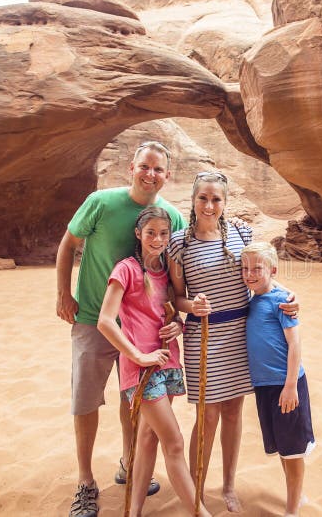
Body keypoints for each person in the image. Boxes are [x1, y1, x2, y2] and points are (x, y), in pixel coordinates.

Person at [56, 142, 187, 517]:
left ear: (167, 175)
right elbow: (69, 244)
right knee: (86, 399)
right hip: (94, 319)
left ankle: (129, 464)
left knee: (133, 399)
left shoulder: (172, 218)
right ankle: (85, 481)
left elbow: (176, 279)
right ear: (132, 168)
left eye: (158, 169)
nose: (151, 174)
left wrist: (178, 318)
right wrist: (64, 293)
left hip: (142, 330)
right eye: (145, 166)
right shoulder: (101, 202)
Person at [167, 171, 299, 512]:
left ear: (224, 203)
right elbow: (175, 297)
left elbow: (265, 276)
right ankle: (193, 487)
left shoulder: (241, 232)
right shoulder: (179, 243)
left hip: (241, 335)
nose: (209, 205)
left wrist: (291, 297)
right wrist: (190, 305)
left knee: (233, 411)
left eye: (216, 199)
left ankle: (227, 485)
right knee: (206, 416)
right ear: (193, 201)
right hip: (204, 336)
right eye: (203, 198)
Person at [97, 207, 211, 517]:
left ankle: (133, 512)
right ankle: (200, 513)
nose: (158, 239)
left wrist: (179, 325)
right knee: (173, 443)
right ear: (139, 234)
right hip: (142, 368)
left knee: (148, 437)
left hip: (169, 362)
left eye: (163, 233)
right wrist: (137, 355)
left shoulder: (167, 271)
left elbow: (173, 312)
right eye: (151, 233)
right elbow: (105, 321)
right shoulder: (126, 269)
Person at [241, 242, 315, 517]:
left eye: (256, 268)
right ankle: (295, 497)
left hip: (287, 385)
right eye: (245, 268)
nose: (249, 274)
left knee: (293, 449)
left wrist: (290, 385)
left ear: (272, 270)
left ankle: (292, 510)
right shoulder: (253, 300)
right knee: (283, 448)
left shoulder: (282, 302)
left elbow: (295, 345)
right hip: (265, 387)